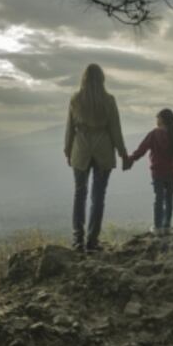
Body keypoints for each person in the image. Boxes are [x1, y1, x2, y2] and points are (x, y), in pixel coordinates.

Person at [64, 63, 129, 252]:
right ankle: (92, 241)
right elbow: (115, 128)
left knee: (79, 194)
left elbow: (70, 128)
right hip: (103, 151)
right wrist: (123, 153)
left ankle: (77, 240)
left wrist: (68, 150)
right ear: (102, 79)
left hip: (81, 149)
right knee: (98, 197)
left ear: (83, 78)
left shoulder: (75, 99)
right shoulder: (108, 100)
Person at [123, 108, 173, 234]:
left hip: (157, 172)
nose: (156, 120)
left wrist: (130, 160)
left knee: (159, 198)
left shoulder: (154, 134)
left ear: (162, 119)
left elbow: (141, 150)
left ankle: (157, 227)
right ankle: (166, 226)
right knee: (169, 199)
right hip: (171, 172)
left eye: (157, 118)